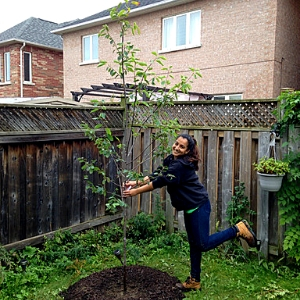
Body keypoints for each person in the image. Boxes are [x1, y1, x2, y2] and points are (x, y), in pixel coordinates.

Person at [123, 133, 259, 291]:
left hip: (199, 205)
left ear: (187, 151)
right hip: (190, 207)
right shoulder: (170, 160)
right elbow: (157, 174)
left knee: (202, 244)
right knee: (194, 244)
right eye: (176, 144)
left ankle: (238, 229)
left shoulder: (180, 165)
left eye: (182, 146)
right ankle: (194, 281)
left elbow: (159, 182)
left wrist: (135, 192)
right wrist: (135, 182)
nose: (177, 147)